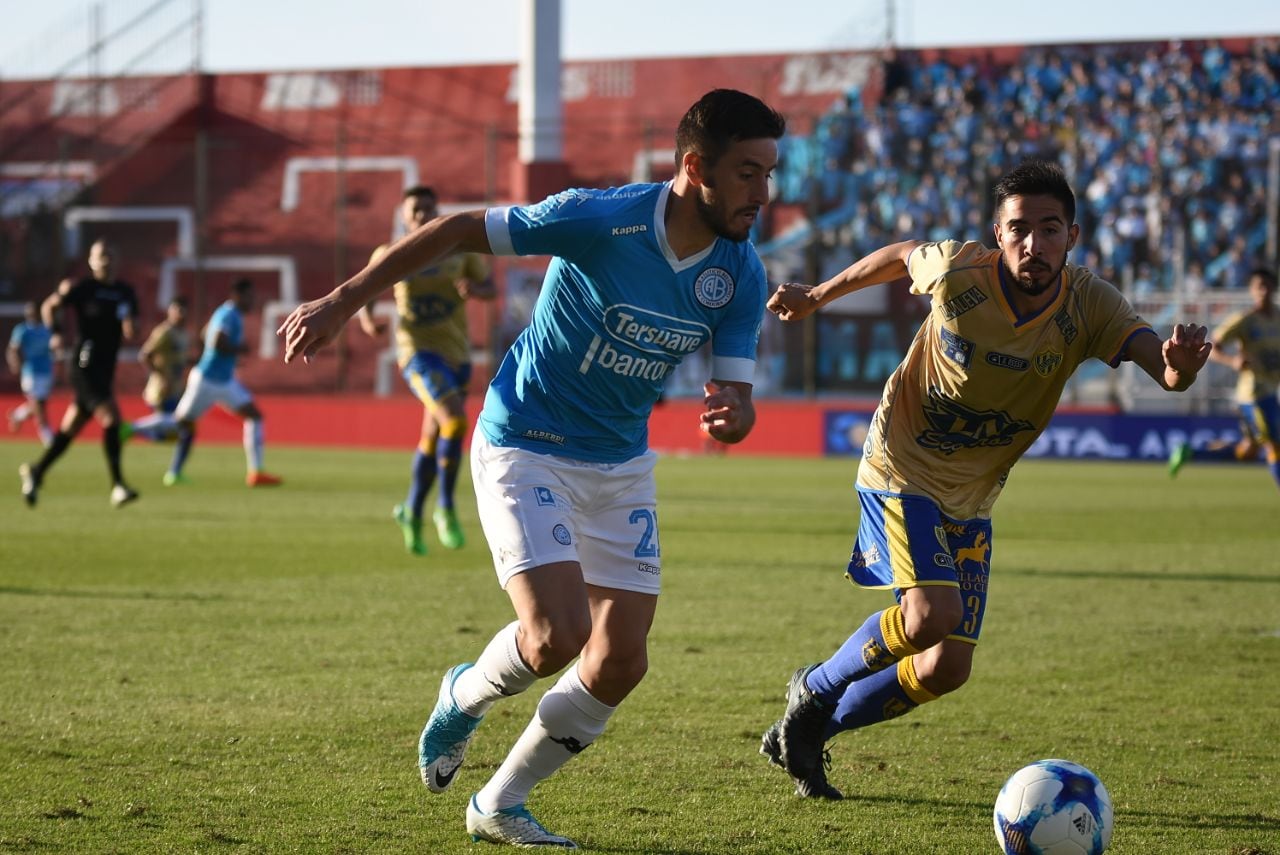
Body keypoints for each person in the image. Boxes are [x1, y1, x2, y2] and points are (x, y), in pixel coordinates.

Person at [278, 88, 786, 849]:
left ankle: (498, 802)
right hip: (526, 438)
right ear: (693, 167)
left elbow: (735, 393)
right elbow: (451, 230)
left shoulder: (740, 273)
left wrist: (735, 415)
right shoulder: (599, 217)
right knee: (555, 634)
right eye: (748, 173)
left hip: (619, 463)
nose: (763, 193)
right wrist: (345, 299)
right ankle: (463, 695)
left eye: (769, 174)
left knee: (619, 661)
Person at [760, 160, 1212, 800]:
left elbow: (1160, 370)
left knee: (947, 666)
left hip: (972, 497)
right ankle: (812, 691)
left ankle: (810, 730)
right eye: (1019, 229)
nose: (1034, 244)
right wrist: (817, 296)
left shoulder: (1091, 305)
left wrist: (1178, 370)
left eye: (1049, 229)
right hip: (902, 464)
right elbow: (896, 257)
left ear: (1072, 236)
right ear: (997, 235)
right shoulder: (957, 273)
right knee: (929, 615)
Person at [357, 185, 495, 555]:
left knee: (433, 436)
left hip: (457, 354)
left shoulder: (458, 251)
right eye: (415, 209)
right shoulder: (389, 254)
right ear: (403, 214)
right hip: (416, 352)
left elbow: (489, 286)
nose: (421, 215)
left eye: (428, 209)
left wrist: (476, 289)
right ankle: (445, 508)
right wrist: (369, 322)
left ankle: (411, 511)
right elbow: (365, 289)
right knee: (454, 421)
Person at [19, 239, 141, 508]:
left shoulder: (125, 292)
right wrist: (57, 333)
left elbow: (133, 326)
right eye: (100, 255)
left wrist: (131, 326)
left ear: (116, 259)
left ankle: (36, 472)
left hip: (106, 367)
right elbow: (50, 307)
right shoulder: (84, 288)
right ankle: (118, 485)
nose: (105, 260)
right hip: (84, 363)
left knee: (69, 430)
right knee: (111, 419)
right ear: (91, 261)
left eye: (109, 254)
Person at [1168, 267, 1280, 489]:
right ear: (1251, 290)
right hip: (1253, 395)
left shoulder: (1277, 318)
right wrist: (1233, 362)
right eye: (1259, 287)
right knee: (1275, 444)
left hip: (1270, 391)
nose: (1264, 291)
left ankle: (1191, 453)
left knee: (1249, 450)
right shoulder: (1245, 320)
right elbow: (1214, 347)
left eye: (1268, 286)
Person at [165, 278, 282, 488]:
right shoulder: (229, 314)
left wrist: (227, 356)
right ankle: (131, 429)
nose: (252, 300)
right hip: (208, 379)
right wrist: (238, 349)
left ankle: (256, 472)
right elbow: (218, 341)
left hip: (223, 380)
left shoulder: (227, 313)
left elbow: (205, 334)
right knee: (181, 423)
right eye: (249, 296)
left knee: (254, 415)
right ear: (238, 295)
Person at [122, 295, 191, 442]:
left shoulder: (185, 334)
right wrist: (161, 377)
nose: (181, 314)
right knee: (172, 430)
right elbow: (144, 355)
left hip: (176, 387)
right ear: (170, 311)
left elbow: (180, 360)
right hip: (161, 388)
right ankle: (131, 428)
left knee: (173, 432)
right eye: (178, 309)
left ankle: (131, 430)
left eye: (184, 310)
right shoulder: (163, 332)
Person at [6, 299, 55, 446]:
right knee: (38, 403)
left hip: (46, 371)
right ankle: (47, 436)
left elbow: (52, 347)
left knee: (39, 405)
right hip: (30, 372)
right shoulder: (23, 330)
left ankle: (17, 415)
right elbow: (12, 349)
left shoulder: (47, 330)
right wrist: (14, 362)